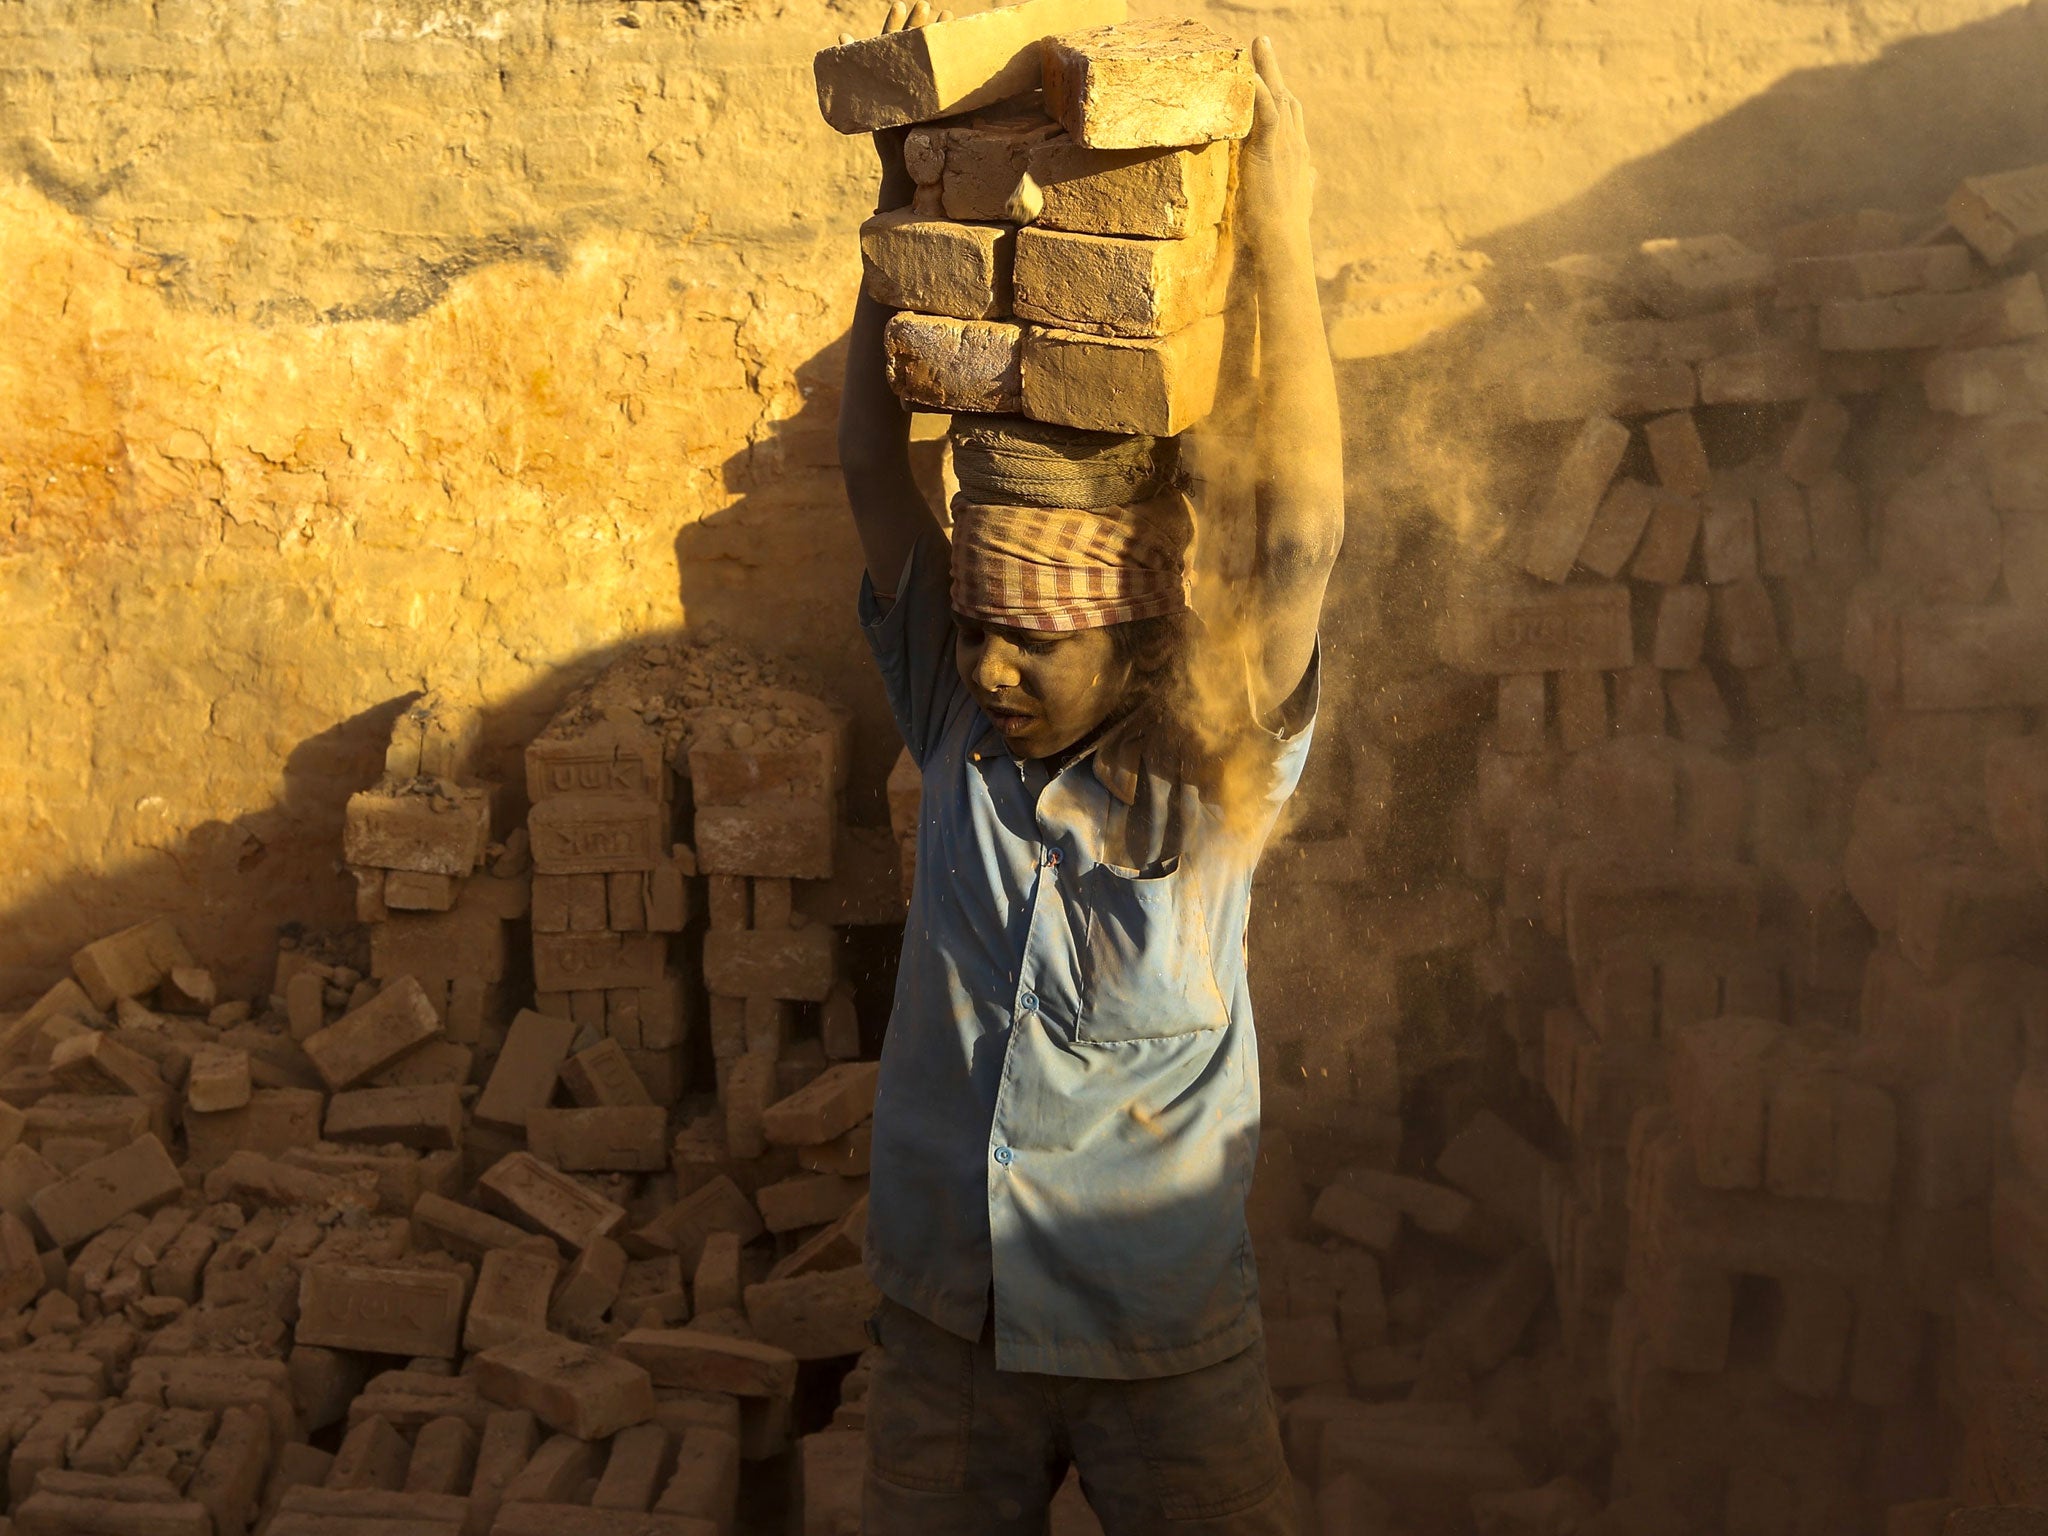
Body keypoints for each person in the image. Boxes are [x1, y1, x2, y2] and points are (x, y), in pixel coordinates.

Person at [835, 7, 1343, 1530]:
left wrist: (1278, 229)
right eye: (976, 628)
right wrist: (904, 213)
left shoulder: (1217, 775)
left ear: (1125, 638)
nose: (988, 667)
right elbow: (876, 470)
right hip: (945, 1329)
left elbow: (1299, 532)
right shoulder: (951, 724)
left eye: (1028, 644)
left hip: (1160, 1342)